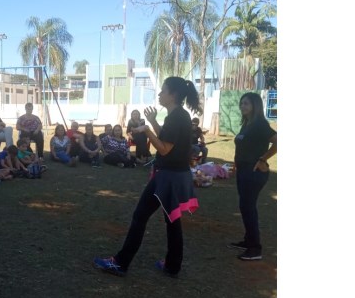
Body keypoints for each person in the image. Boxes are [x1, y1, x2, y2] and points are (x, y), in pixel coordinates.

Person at [93, 77, 202, 278]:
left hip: (168, 177)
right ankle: (172, 265)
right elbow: (167, 138)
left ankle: (121, 263)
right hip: (174, 175)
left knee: (140, 216)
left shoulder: (177, 117)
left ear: (173, 95)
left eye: (163, 91)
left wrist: (147, 130)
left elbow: (164, 148)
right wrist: (152, 121)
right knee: (172, 220)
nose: (159, 94)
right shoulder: (179, 115)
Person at [228, 92, 277, 261]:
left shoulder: (260, 124)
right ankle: (249, 241)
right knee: (245, 206)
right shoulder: (247, 124)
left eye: (246, 103)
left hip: (254, 172)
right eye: (241, 103)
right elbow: (242, 147)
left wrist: (263, 159)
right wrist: (236, 164)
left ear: (255, 105)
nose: (242, 106)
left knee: (248, 207)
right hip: (243, 170)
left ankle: (255, 249)